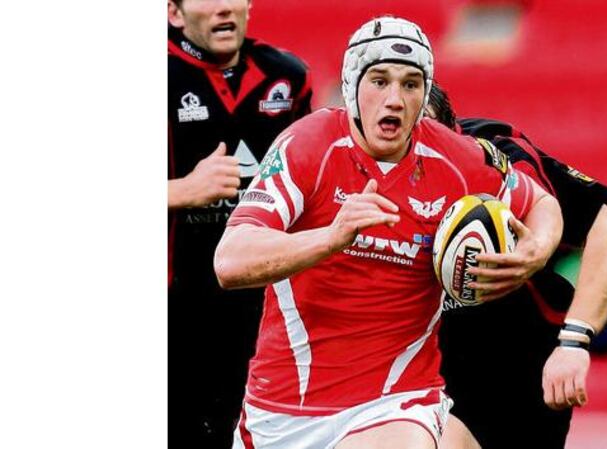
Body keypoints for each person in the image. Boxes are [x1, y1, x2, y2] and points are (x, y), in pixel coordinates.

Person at [213, 16, 563, 449]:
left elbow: (542, 204)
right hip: (282, 411)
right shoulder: (307, 145)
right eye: (379, 81)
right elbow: (230, 261)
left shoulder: (456, 159)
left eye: (411, 84)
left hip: (395, 403)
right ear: (351, 86)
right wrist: (330, 237)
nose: (395, 99)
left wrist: (537, 249)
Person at [426, 82, 607, 449]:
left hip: (516, 365)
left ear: (452, 132)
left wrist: (574, 342)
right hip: (422, 369)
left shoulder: (498, 156)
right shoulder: (354, 172)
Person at [167, 0, 312, 447]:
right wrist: (183, 190)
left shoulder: (287, 74)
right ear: (174, 13)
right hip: (176, 304)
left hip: (259, 300)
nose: (224, 6)